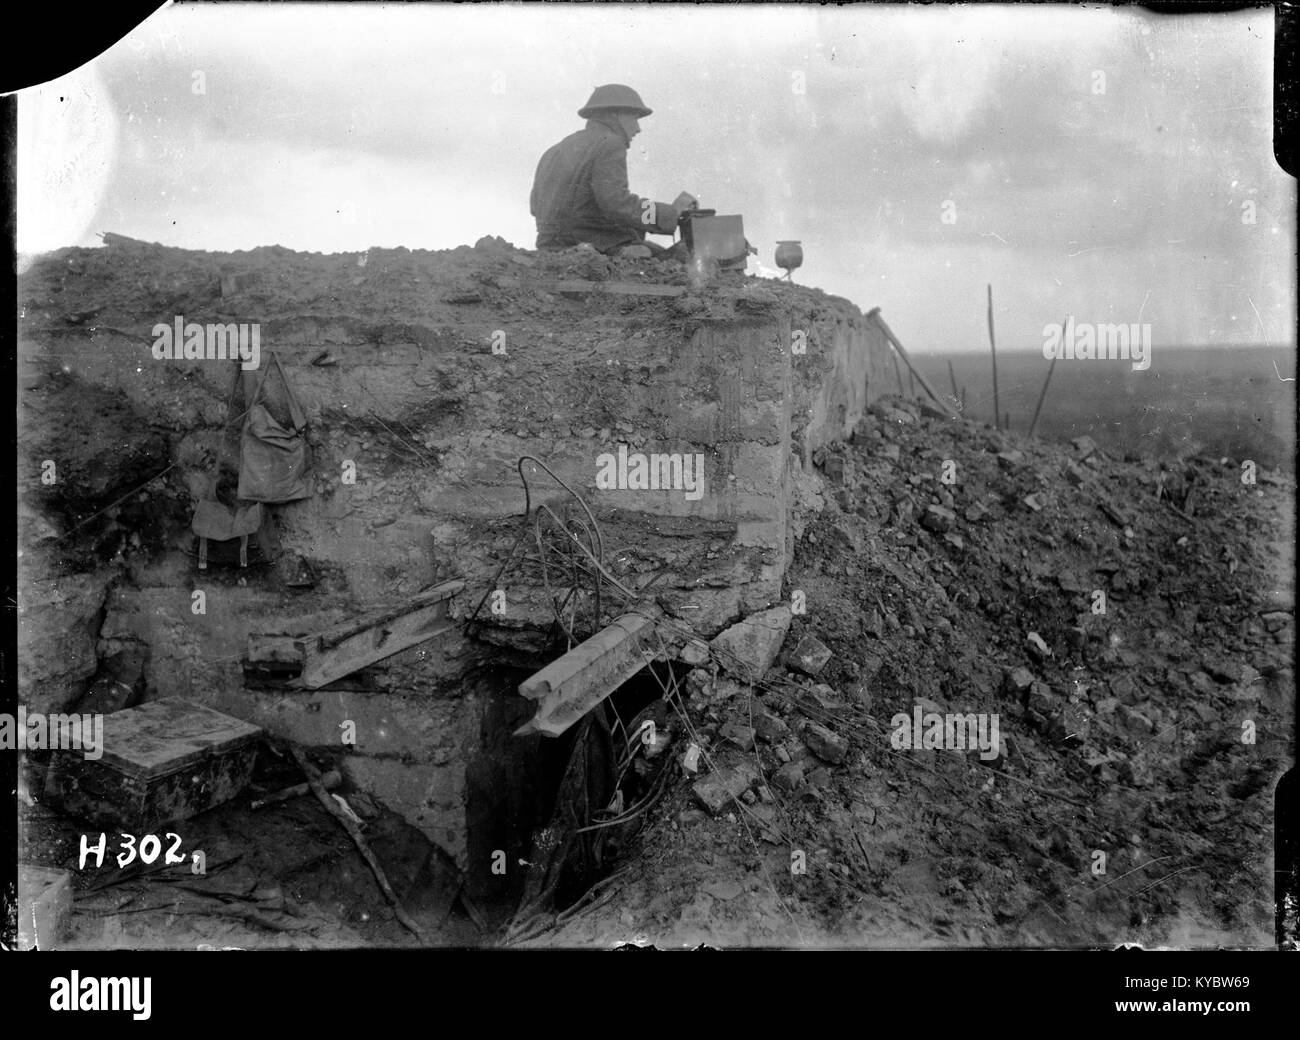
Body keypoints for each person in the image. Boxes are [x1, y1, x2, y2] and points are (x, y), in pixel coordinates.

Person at [530, 84, 692, 256]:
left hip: (549, 247)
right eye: (634, 118)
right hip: (590, 247)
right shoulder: (610, 143)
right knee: (677, 258)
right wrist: (669, 213)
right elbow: (616, 203)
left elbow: (535, 207)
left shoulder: (553, 151)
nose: (638, 128)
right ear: (617, 115)